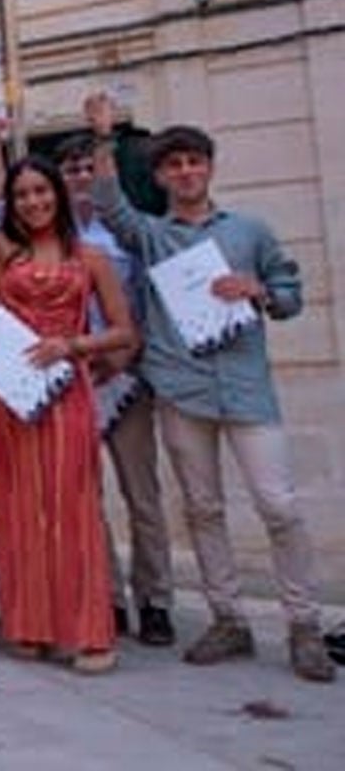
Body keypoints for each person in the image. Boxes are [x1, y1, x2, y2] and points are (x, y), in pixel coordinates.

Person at [85, 92, 333, 683]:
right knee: (202, 508)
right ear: (162, 176)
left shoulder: (250, 231)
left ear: (209, 166)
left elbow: (292, 296)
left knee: (279, 506)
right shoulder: (152, 234)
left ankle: (304, 624)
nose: (185, 172)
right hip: (182, 388)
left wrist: (261, 292)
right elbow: (111, 206)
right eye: (173, 165)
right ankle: (228, 618)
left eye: (194, 161)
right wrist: (103, 138)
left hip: (246, 388)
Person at [0, 102, 136, 674]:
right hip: (9, 392)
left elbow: (126, 332)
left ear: (57, 195)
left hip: (67, 390)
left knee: (73, 505)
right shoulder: (6, 253)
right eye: (22, 195)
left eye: (40, 192)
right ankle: (31, 623)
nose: (32, 202)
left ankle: (88, 631)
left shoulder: (91, 258)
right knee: (19, 504)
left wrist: (75, 347)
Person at [55, 134, 175, 648]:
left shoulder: (127, 234)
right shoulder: (56, 240)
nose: (80, 178)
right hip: (74, 380)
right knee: (87, 497)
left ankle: (156, 599)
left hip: (126, 378)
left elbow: (149, 300)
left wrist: (126, 353)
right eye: (72, 170)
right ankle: (108, 596)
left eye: (88, 168)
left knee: (141, 495)